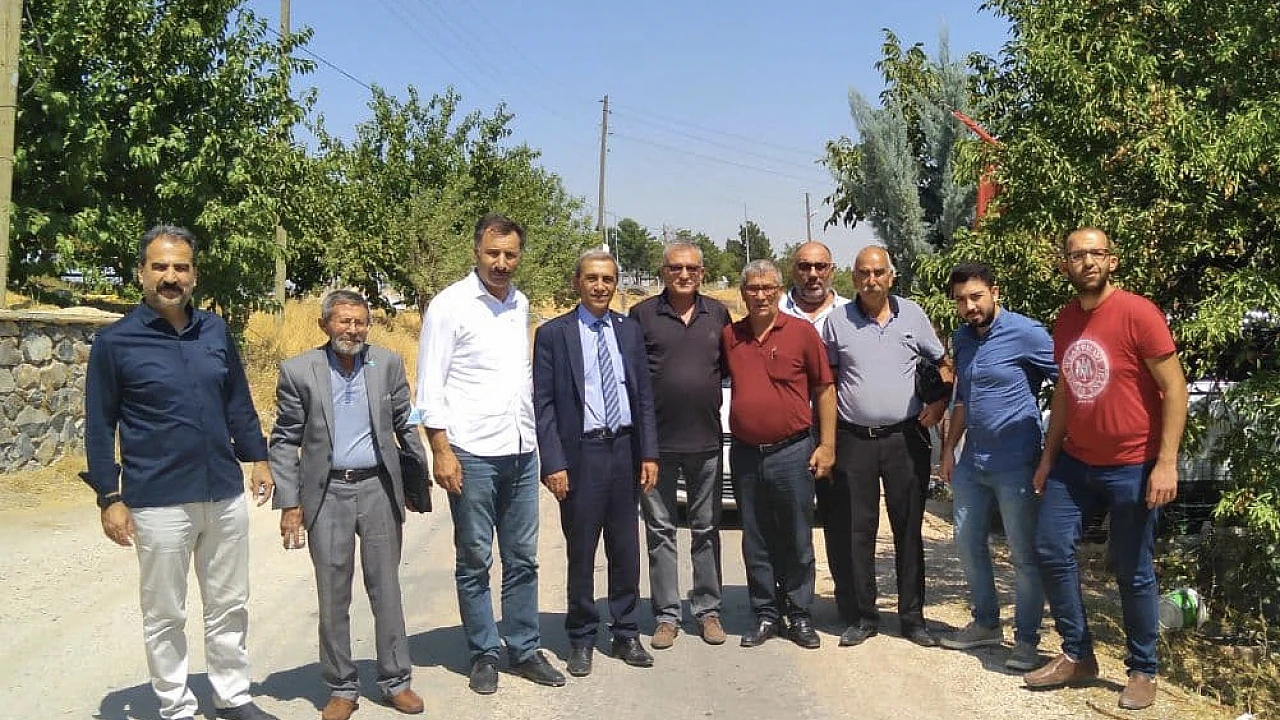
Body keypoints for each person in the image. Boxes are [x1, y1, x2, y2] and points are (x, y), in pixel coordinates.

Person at [83, 225, 278, 720]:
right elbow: (100, 425)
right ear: (141, 273)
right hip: (157, 499)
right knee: (165, 612)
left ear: (194, 274)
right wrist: (109, 496)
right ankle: (176, 706)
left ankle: (232, 696)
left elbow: (237, 401)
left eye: (181, 267)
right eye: (160, 266)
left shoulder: (214, 331)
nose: (170, 277)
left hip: (223, 493)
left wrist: (257, 458)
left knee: (229, 603)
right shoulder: (115, 342)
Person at [1024, 228, 1188, 712]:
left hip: (1134, 464)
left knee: (1132, 567)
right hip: (1076, 462)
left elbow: (1175, 389)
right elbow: (1065, 391)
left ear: (1112, 261)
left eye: (1097, 253)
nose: (1088, 261)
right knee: (1049, 546)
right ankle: (1078, 655)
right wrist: (1049, 457)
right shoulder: (1066, 319)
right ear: (1065, 265)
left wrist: (1166, 463)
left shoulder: (1139, 313)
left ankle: (1143, 669)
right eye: (1077, 254)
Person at [415, 213, 565, 694]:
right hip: (472, 452)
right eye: (492, 253)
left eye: (510, 254)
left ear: (519, 257)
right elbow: (429, 385)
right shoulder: (449, 305)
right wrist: (441, 450)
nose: (501, 263)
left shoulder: (520, 304)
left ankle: (523, 648)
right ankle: (483, 652)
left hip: (520, 449)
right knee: (475, 558)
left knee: (523, 559)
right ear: (476, 252)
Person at [268, 290, 427, 720]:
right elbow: (284, 440)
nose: (352, 330)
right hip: (328, 494)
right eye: (343, 321)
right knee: (333, 594)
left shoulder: (387, 364)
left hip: (377, 489)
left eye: (360, 322)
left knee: (386, 589)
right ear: (325, 324)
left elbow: (405, 423)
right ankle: (341, 687)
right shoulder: (299, 371)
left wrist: (417, 480)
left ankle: (396, 681)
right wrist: (290, 503)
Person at [533, 249, 660, 677]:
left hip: (624, 450)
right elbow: (544, 405)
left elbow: (643, 396)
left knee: (625, 548)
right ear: (578, 283)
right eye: (592, 278)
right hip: (581, 456)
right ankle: (582, 637)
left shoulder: (629, 331)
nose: (600, 286)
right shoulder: (554, 334)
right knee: (582, 551)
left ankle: (626, 632)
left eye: (608, 279)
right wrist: (553, 462)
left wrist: (649, 452)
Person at [823, 245, 947, 649]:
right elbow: (827, 383)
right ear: (853, 277)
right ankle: (864, 617)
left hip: (904, 439)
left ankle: (912, 619)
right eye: (863, 273)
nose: (871, 280)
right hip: (855, 440)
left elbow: (943, 364)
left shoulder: (913, 316)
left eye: (878, 273)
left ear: (891, 277)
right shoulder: (837, 322)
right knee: (858, 530)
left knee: (908, 529)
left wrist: (939, 404)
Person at [937, 263, 1057, 672]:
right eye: (961, 300)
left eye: (976, 297)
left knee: (1024, 556)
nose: (969, 306)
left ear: (995, 292)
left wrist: (1052, 452)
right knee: (967, 543)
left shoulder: (1028, 333)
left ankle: (1026, 641)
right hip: (973, 462)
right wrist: (948, 450)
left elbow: (1069, 384)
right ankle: (986, 623)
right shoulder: (962, 338)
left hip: (1017, 464)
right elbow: (963, 399)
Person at [722, 259, 836, 650]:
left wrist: (827, 445)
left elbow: (825, 389)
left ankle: (799, 614)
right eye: (753, 288)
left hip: (793, 451)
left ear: (779, 291)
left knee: (797, 537)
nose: (761, 295)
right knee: (755, 539)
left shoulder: (801, 333)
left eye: (768, 287)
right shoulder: (730, 336)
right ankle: (766, 613)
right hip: (746, 455)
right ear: (743, 293)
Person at [629, 242, 732, 648]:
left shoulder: (718, 314)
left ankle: (708, 611)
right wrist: (644, 447)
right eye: (675, 268)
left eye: (691, 268)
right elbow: (633, 380)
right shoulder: (642, 315)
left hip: (707, 442)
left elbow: (728, 370)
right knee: (661, 531)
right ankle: (667, 616)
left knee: (706, 529)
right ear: (663, 272)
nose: (683, 274)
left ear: (702, 273)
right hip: (656, 448)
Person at [778, 241, 854, 624]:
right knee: (788, 523)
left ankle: (850, 603)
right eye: (805, 266)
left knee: (841, 521)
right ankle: (789, 604)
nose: (812, 274)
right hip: (787, 434)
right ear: (793, 269)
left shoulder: (851, 313)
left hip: (842, 432)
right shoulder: (773, 310)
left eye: (820, 266)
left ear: (831, 270)